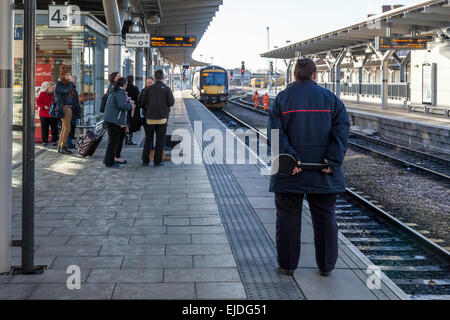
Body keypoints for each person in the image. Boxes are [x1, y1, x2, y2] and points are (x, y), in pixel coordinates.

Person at [268, 58, 350, 277]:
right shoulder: (332, 100)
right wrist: (332, 159)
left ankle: (287, 266)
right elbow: (342, 129)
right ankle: (326, 266)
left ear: (294, 75)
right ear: (315, 75)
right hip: (324, 171)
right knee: (325, 218)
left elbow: (275, 136)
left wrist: (290, 160)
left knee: (287, 218)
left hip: (290, 171)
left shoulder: (281, 99)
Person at [141, 70, 175, 167]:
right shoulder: (166, 89)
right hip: (162, 119)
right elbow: (171, 103)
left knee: (148, 139)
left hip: (150, 118)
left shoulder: (148, 89)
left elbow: (142, 102)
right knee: (160, 140)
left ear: (155, 78)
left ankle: (145, 161)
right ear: (163, 78)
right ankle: (157, 161)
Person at [103, 77, 135, 168]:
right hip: (114, 120)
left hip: (112, 119)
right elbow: (121, 105)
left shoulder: (116, 91)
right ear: (124, 84)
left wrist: (126, 100)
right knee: (113, 142)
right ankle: (109, 162)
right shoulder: (119, 92)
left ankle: (109, 160)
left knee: (113, 141)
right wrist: (130, 107)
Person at [55, 71, 76, 155]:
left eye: (69, 74)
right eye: (67, 75)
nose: (69, 76)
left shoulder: (67, 84)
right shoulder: (60, 84)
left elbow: (72, 93)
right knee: (67, 128)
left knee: (65, 128)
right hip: (64, 107)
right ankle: (63, 146)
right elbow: (65, 90)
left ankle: (60, 146)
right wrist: (70, 82)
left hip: (69, 107)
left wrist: (72, 83)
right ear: (63, 76)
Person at [36, 82, 58, 147]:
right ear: (48, 88)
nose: (52, 89)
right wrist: (43, 106)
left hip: (53, 114)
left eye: (53, 88)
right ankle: (45, 141)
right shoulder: (42, 93)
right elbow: (38, 101)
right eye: (51, 88)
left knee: (54, 128)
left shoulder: (55, 95)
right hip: (44, 114)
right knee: (44, 128)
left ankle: (54, 141)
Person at [125, 75, 141, 145]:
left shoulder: (124, 89)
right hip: (133, 109)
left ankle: (126, 138)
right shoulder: (135, 89)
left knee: (126, 123)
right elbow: (139, 99)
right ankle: (130, 139)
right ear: (133, 80)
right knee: (132, 124)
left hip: (125, 109)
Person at [67, 75, 81, 149]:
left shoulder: (72, 88)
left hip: (73, 111)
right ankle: (68, 143)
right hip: (71, 112)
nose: (75, 81)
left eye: (75, 80)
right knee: (69, 128)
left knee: (71, 128)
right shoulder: (70, 88)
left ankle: (69, 143)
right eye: (74, 80)